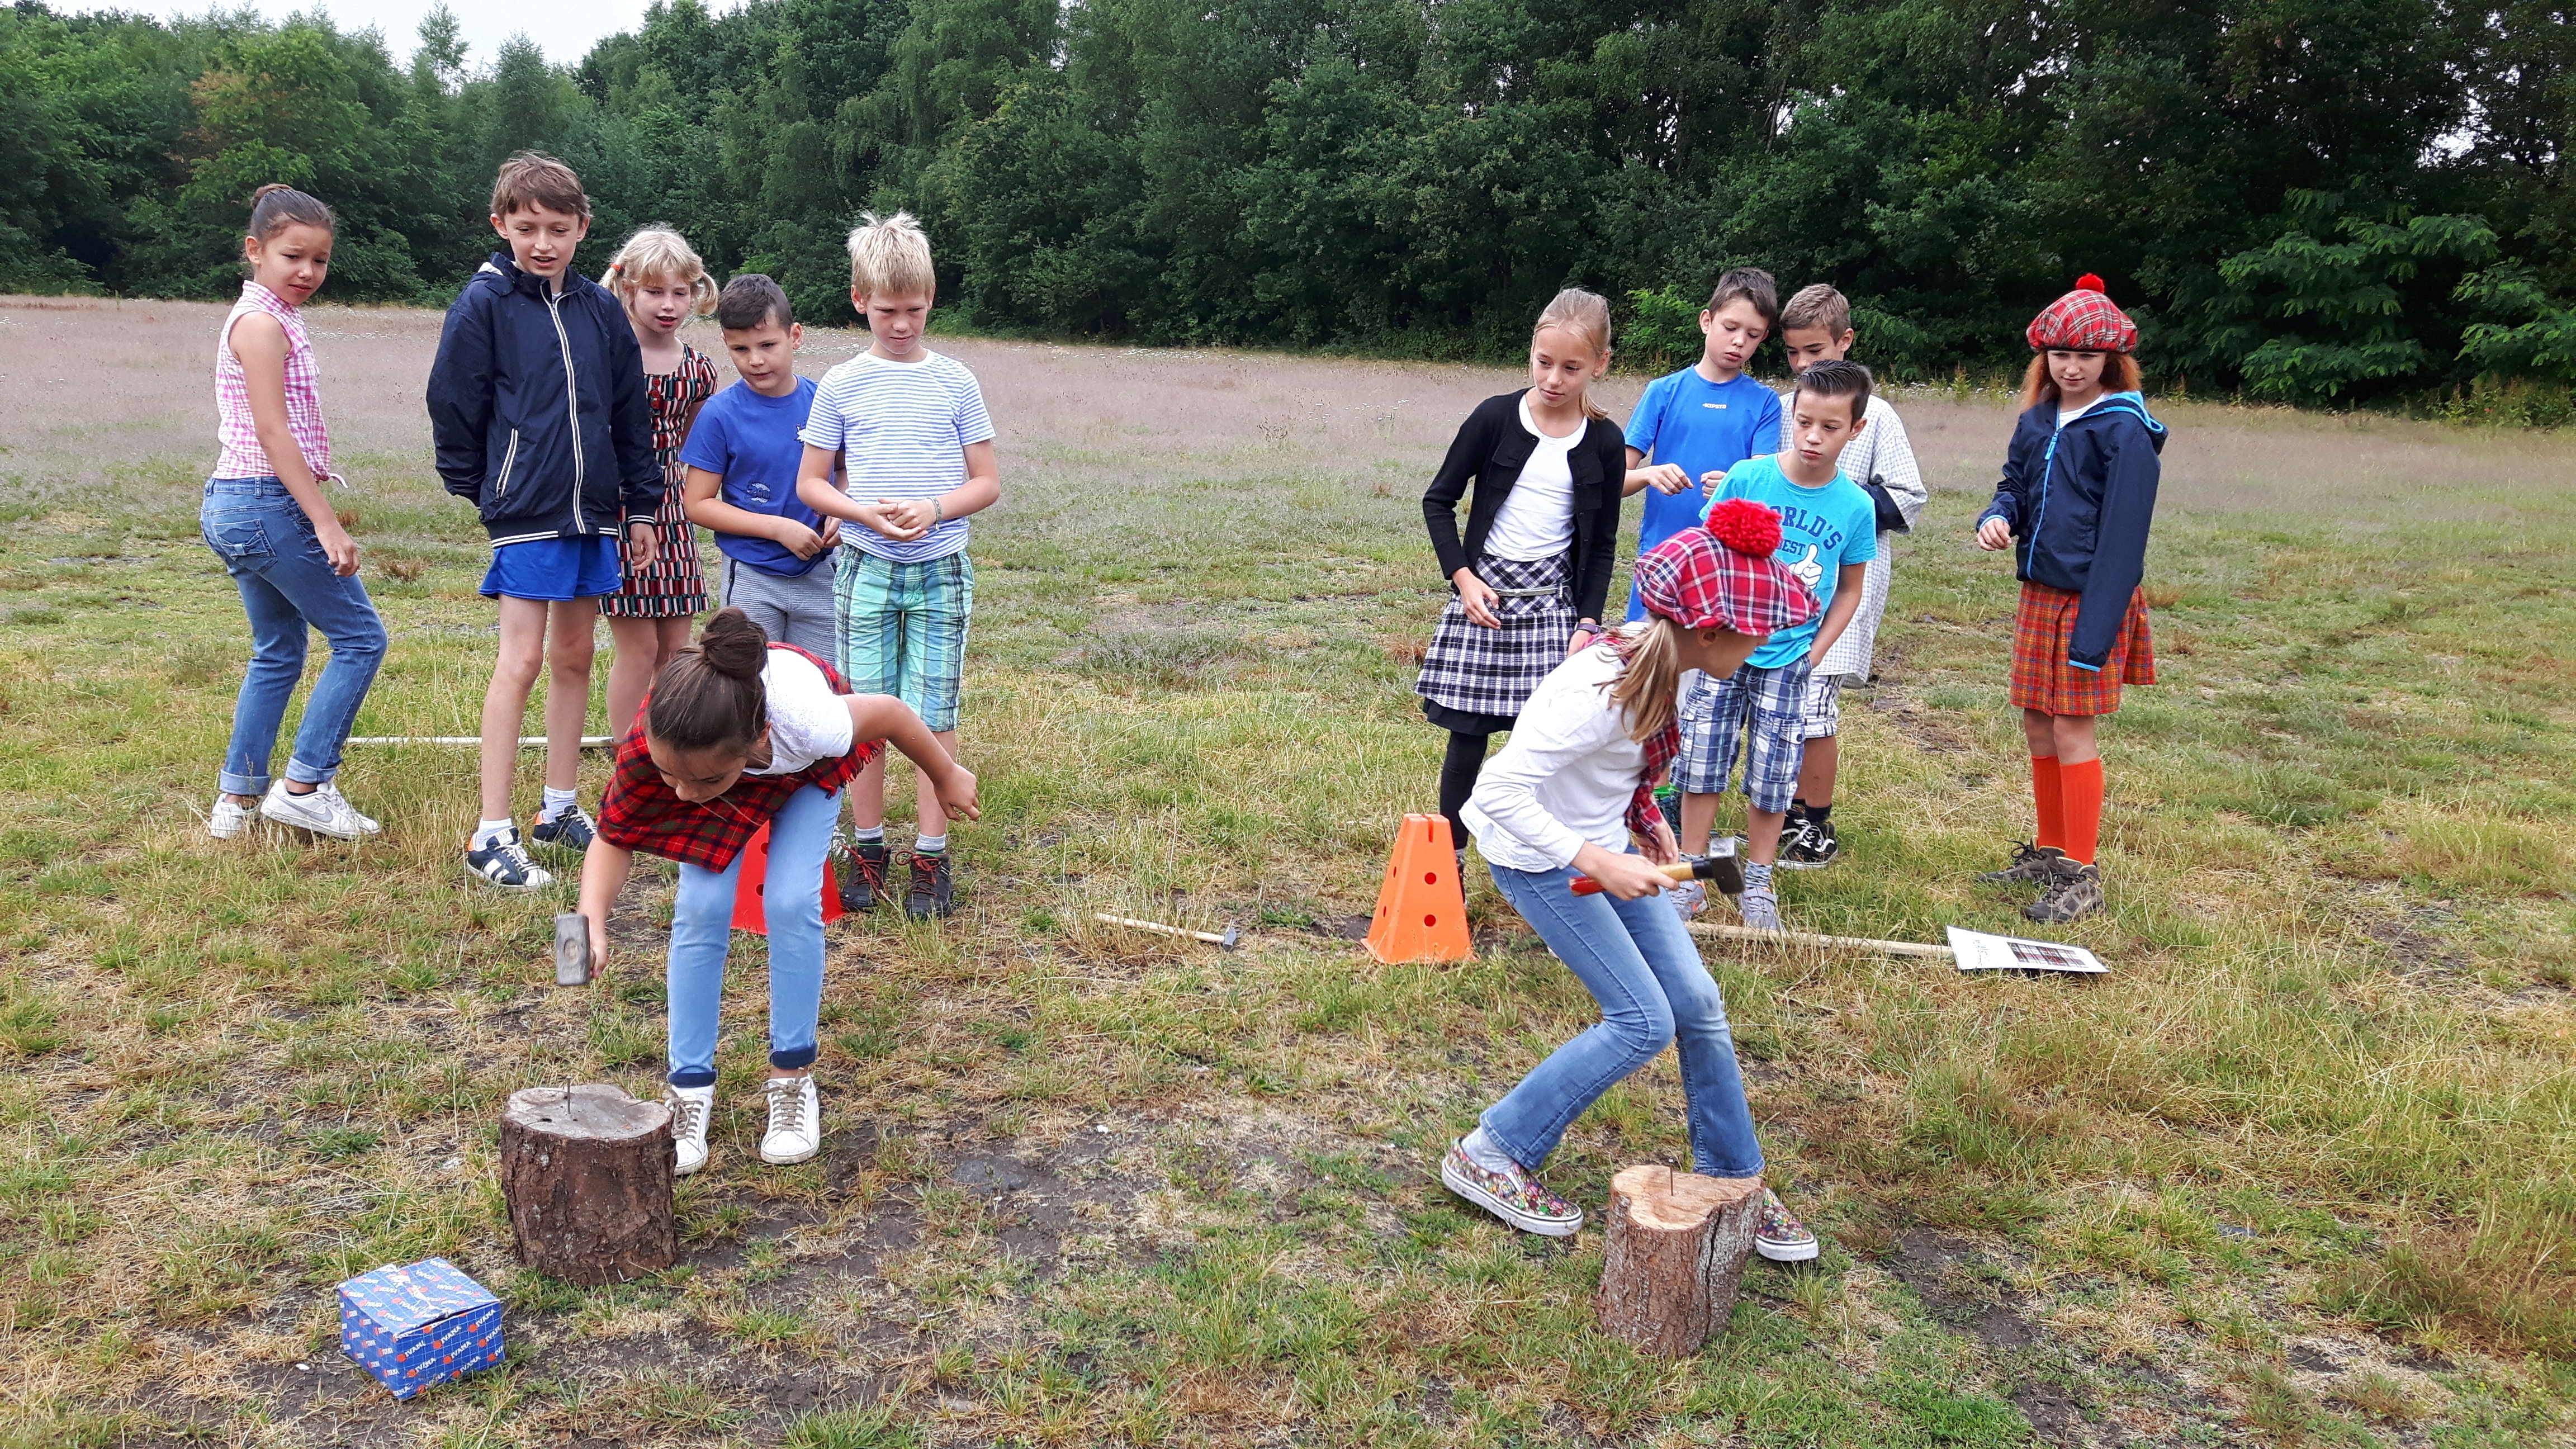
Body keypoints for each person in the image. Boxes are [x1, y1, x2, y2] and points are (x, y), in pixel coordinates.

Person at [1440, 515, 1820, 1263]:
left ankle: (1733, 1178)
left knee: (1698, 1004)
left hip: (1601, 847)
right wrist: (1597, 858)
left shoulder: (1663, 666)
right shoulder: (1599, 688)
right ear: (1709, 632)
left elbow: (1615, 773)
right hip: (1538, 860)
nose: (1762, 645)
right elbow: (1492, 798)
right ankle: (1491, 1151)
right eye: (1756, 630)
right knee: (1643, 1021)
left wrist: (1646, 826)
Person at [574, 609, 980, 1173]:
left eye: (701, 783)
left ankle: (793, 1083)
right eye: (672, 780)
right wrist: (591, 917)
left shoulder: (809, 722)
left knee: (790, 901)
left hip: (803, 770)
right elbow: (614, 837)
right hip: (727, 758)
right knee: (701, 905)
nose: (684, 797)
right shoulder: (665, 743)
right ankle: (689, 1091)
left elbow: (888, 713)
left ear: (758, 738)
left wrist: (945, 774)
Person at [427, 151, 660, 891]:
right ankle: (490, 832)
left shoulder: (599, 311)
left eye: (558, 228)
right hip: (524, 512)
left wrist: (644, 505)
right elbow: (452, 404)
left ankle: (559, 809)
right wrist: (487, 490)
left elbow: (631, 418)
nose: (543, 243)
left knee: (575, 657)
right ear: (502, 225)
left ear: (583, 228)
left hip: (593, 512)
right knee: (521, 661)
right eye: (527, 228)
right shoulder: (485, 303)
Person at [794, 212, 999, 919]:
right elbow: (813, 484)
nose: (902, 324)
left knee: (932, 712)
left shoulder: (956, 381)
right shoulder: (842, 384)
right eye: (887, 310)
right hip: (866, 567)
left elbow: (987, 482)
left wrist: (936, 509)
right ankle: (871, 846)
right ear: (859, 301)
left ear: (931, 300)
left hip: (941, 569)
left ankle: (932, 857)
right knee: (865, 716)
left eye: (914, 310)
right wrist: (862, 514)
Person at [1973, 275, 2165, 924]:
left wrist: (2097, 631)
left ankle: (2082, 875)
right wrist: (1997, 516)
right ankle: (2051, 853)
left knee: (2071, 729)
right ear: (2044, 358)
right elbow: (2015, 489)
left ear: (2112, 360)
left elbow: (2123, 538)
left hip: (2093, 598)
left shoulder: (2125, 431)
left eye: (2086, 356)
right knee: (2036, 722)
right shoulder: (2037, 421)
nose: (2072, 366)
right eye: (2060, 355)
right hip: (2041, 595)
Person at [201, 183, 389, 842]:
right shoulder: (259, 324)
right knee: (363, 639)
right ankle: (307, 786)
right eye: (292, 257)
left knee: (278, 650)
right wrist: (324, 520)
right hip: (263, 503)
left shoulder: (269, 316)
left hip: (238, 502)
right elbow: (274, 433)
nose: (308, 272)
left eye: (320, 260)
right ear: (255, 251)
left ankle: (237, 801)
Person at [1416, 288, 1627, 854]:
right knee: (1468, 743)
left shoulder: (1605, 442)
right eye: (1543, 362)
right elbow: (1438, 501)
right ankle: (1449, 864)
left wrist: (1587, 621)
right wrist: (1464, 579)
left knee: (1550, 753)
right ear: (1531, 353)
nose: (1554, 378)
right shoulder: (1493, 418)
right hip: (1484, 604)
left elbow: (1602, 543)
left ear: (1600, 366)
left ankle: (1535, 863)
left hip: (1552, 611)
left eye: (1571, 367)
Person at [1674, 361, 1880, 931]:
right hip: (1723, 652)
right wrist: (1707, 625)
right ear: (1793, 415)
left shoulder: (1855, 507)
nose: (1814, 437)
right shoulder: (1749, 478)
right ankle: (1693, 877)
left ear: (1855, 431)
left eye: (1830, 428)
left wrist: (1814, 654)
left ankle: (1756, 882)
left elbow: (1850, 589)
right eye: (1805, 422)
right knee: (1702, 760)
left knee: (1773, 774)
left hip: (1789, 660)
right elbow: (1706, 550)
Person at [1768, 284, 1928, 868]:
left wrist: (1843, 497)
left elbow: (1909, 496)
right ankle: (1781, 811)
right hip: (1784, 586)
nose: (1806, 365)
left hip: (1841, 586)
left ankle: (1817, 823)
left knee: (1814, 706)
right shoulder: (1792, 407)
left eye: (1817, 351)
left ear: (1846, 341)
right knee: (1779, 702)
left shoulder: (1876, 415)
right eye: (1794, 354)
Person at [598, 227, 719, 741]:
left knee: (675, 649)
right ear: (627, 290)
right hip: (619, 508)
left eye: (680, 292)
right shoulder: (603, 358)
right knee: (639, 648)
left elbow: (690, 443)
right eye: (654, 292)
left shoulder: (698, 372)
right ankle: (628, 751)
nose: (668, 305)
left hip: (674, 511)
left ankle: (668, 745)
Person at [1619, 268, 1783, 622]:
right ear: (1707, 321)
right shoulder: (1663, 392)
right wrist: (1650, 475)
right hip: (1661, 556)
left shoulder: (1766, 403)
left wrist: (1732, 488)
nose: (1739, 341)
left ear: (1763, 338)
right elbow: (1616, 480)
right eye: (1731, 328)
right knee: (1646, 664)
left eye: (1753, 335)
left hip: (1727, 564)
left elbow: (1764, 491)